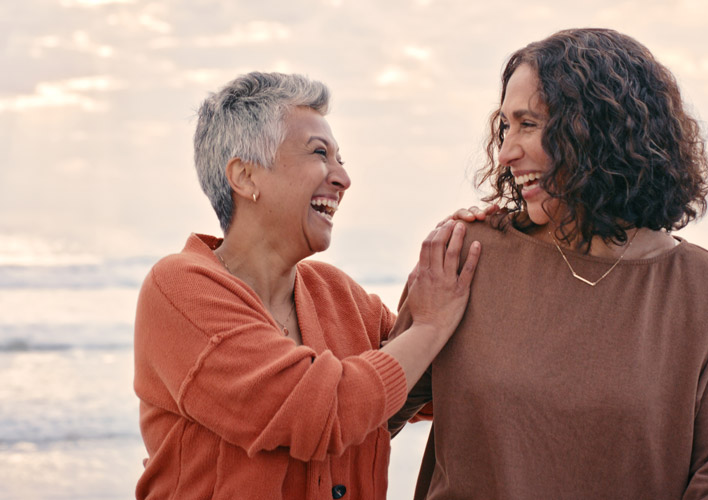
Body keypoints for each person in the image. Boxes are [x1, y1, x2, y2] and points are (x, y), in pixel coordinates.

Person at [390, 28, 708, 498]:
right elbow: (373, 415)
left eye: (529, 125)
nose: (505, 154)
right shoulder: (468, 254)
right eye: (505, 126)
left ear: (600, 130)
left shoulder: (698, 284)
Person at [133, 72, 481, 500]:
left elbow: (439, 383)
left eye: (341, 160)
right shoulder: (180, 290)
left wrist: (475, 252)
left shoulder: (339, 295)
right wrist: (428, 326)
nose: (343, 179)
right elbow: (322, 411)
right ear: (245, 177)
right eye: (320, 154)